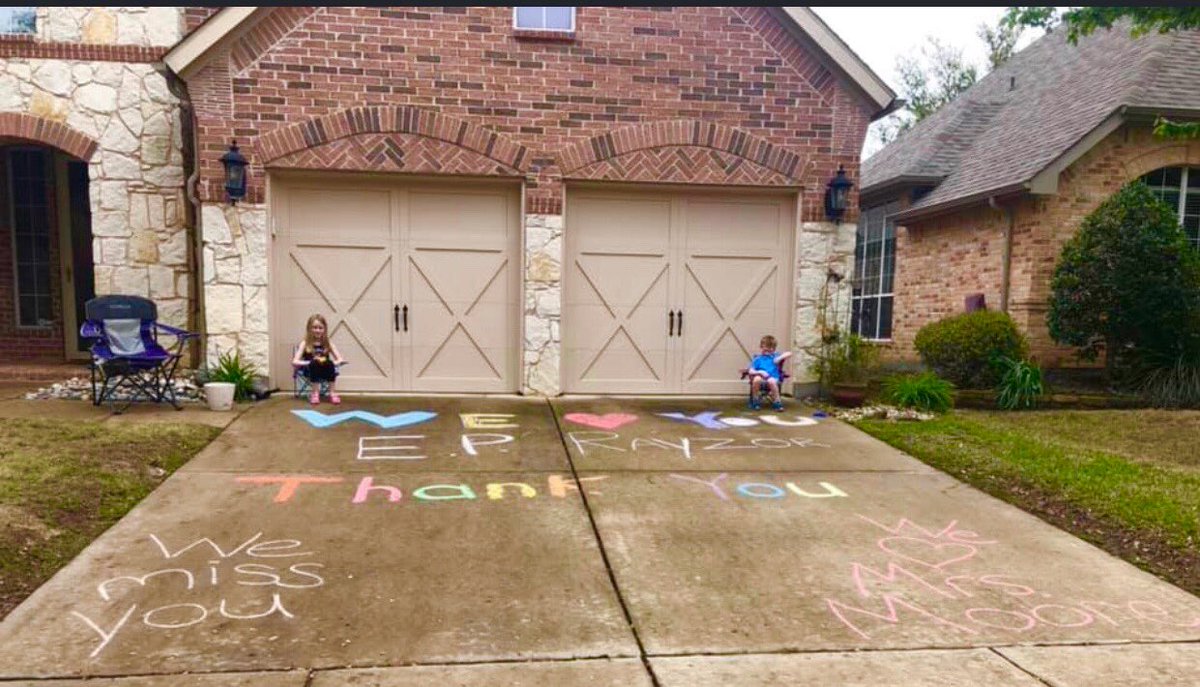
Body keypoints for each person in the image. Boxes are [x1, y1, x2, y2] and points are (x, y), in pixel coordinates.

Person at [292, 314, 344, 405]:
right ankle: (315, 393)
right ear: (309, 329)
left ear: (324, 329)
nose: (318, 330)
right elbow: (294, 361)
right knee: (314, 363)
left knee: (329, 363)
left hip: (325, 371)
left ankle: (332, 393)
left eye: (320, 328)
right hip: (310, 371)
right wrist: (310, 362)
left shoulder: (328, 343)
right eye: (314, 327)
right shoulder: (305, 343)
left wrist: (333, 363)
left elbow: (340, 359)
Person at [746, 334, 792, 411]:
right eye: (766, 348)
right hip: (761, 377)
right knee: (757, 379)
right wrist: (760, 372)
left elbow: (789, 353)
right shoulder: (758, 359)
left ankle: (777, 402)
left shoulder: (775, 356)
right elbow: (750, 371)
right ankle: (755, 401)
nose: (768, 350)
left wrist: (779, 358)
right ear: (761, 347)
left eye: (771, 348)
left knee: (771, 381)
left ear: (774, 349)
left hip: (773, 377)